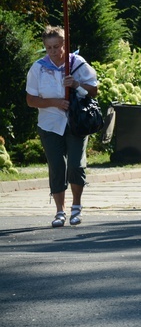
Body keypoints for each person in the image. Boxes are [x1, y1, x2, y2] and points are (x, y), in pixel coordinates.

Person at [26, 26, 98, 227]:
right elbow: (31, 99)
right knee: (57, 166)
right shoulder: (38, 68)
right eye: (49, 48)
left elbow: (94, 91)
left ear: (64, 44)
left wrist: (76, 85)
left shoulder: (77, 64)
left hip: (76, 122)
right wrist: (54, 102)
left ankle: (76, 206)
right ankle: (60, 211)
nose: (53, 51)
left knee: (75, 165)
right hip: (49, 124)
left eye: (57, 46)